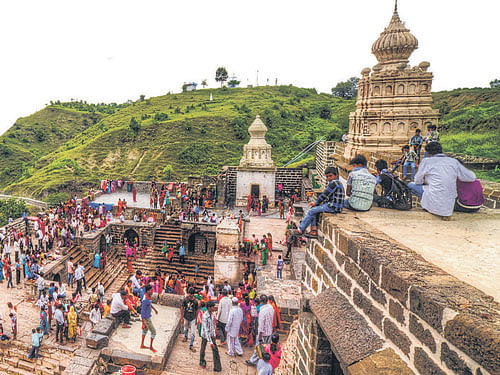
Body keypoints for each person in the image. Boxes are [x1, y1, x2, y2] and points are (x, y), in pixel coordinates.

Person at [408, 142, 476, 218]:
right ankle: (433, 206)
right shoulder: (453, 161)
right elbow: (471, 177)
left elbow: (417, 180)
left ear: (428, 153)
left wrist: (425, 182)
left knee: (410, 185)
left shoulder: (427, 161)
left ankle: (429, 206)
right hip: (449, 205)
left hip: (434, 194)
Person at [297, 166, 344, 238]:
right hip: (334, 206)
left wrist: (316, 203)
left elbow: (324, 195)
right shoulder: (338, 183)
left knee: (311, 211)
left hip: (333, 207)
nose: (328, 178)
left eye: (330, 176)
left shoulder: (334, 183)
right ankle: (313, 230)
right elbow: (329, 196)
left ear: (336, 175)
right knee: (314, 210)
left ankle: (300, 229)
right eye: (327, 176)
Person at [199, 301, 221, 372]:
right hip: (205, 335)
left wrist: (214, 334)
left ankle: (217, 367)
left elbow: (212, 325)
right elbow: (206, 330)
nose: (214, 308)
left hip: (211, 334)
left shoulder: (212, 314)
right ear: (209, 308)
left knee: (215, 350)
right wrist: (211, 342)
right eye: (212, 307)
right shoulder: (205, 316)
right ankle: (201, 361)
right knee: (203, 347)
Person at [140, 285, 159, 352]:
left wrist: (154, 309)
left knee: (145, 330)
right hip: (146, 318)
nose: (152, 291)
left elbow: (150, 304)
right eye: (151, 290)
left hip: (147, 316)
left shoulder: (148, 297)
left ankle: (142, 344)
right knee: (153, 332)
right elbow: (142, 311)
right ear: (147, 291)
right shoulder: (145, 300)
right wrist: (143, 323)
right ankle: (151, 347)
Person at [181, 287, 198, 352]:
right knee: (185, 327)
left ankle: (191, 344)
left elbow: (197, 310)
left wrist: (196, 318)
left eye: (192, 294)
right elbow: (182, 307)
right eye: (190, 294)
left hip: (193, 317)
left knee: (193, 332)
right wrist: (181, 317)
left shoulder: (195, 301)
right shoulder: (185, 300)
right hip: (186, 316)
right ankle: (185, 336)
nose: (191, 295)